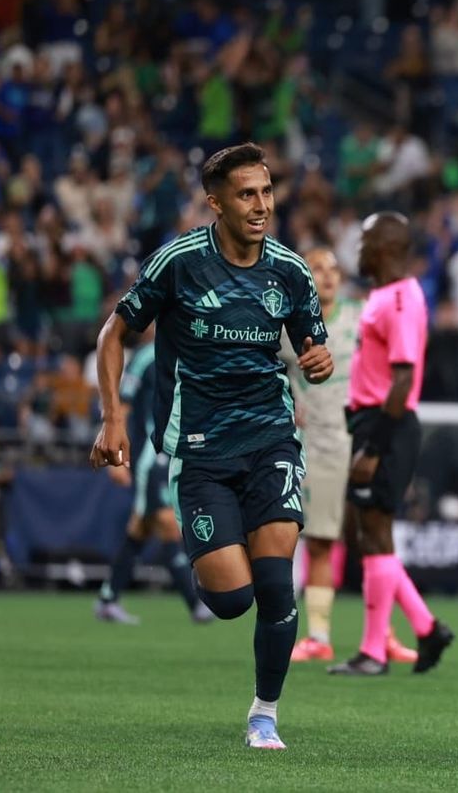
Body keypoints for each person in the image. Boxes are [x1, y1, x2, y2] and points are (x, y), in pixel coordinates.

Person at [90, 143, 335, 750]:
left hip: (272, 437)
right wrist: (111, 418)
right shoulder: (177, 263)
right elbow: (114, 334)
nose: (261, 205)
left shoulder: (290, 270)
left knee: (278, 584)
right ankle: (226, 558)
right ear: (216, 203)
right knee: (232, 600)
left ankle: (265, 715)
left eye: (267, 192)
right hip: (198, 447)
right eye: (246, 194)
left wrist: (319, 360)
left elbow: (312, 348)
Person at [328, 213, 454, 676]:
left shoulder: (401, 298)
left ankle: (373, 652)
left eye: (362, 239)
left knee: (375, 536)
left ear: (383, 246)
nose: (356, 247)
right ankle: (425, 627)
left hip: (387, 425)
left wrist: (373, 447)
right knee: (369, 535)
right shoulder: (383, 295)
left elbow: (402, 380)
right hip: (370, 422)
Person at [283, 247, 418, 665]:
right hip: (320, 445)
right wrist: (288, 401)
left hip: (363, 442)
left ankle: (385, 636)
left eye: (333, 269)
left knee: (374, 540)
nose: (327, 276)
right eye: (317, 269)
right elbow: (264, 373)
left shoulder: (362, 316)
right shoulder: (286, 329)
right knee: (322, 541)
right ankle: (320, 636)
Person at [95, 327, 212, 626]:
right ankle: (195, 603)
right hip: (152, 456)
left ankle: (108, 598)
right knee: (167, 523)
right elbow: (122, 404)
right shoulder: (146, 357)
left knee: (139, 528)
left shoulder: (191, 352)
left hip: (177, 452)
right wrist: (117, 460)